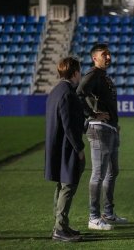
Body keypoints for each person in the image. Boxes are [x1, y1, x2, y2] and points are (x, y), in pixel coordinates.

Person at [76, 43, 127, 231]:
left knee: (113, 171)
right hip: (99, 128)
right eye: (104, 54)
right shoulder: (93, 74)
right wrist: (93, 114)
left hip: (110, 128)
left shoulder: (103, 76)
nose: (108, 57)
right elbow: (79, 94)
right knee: (98, 173)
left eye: (109, 54)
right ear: (94, 58)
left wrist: (114, 123)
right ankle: (93, 217)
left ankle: (107, 213)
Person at [45, 57, 85, 242]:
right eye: (79, 71)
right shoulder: (68, 92)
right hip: (67, 147)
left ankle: (61, 225)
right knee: (68, 186)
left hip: (56, 146)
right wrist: (79, 148)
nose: (81, 75)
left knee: (61, 185)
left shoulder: (55, 91)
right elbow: (69, 125)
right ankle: (59, 229)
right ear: (75, 72)